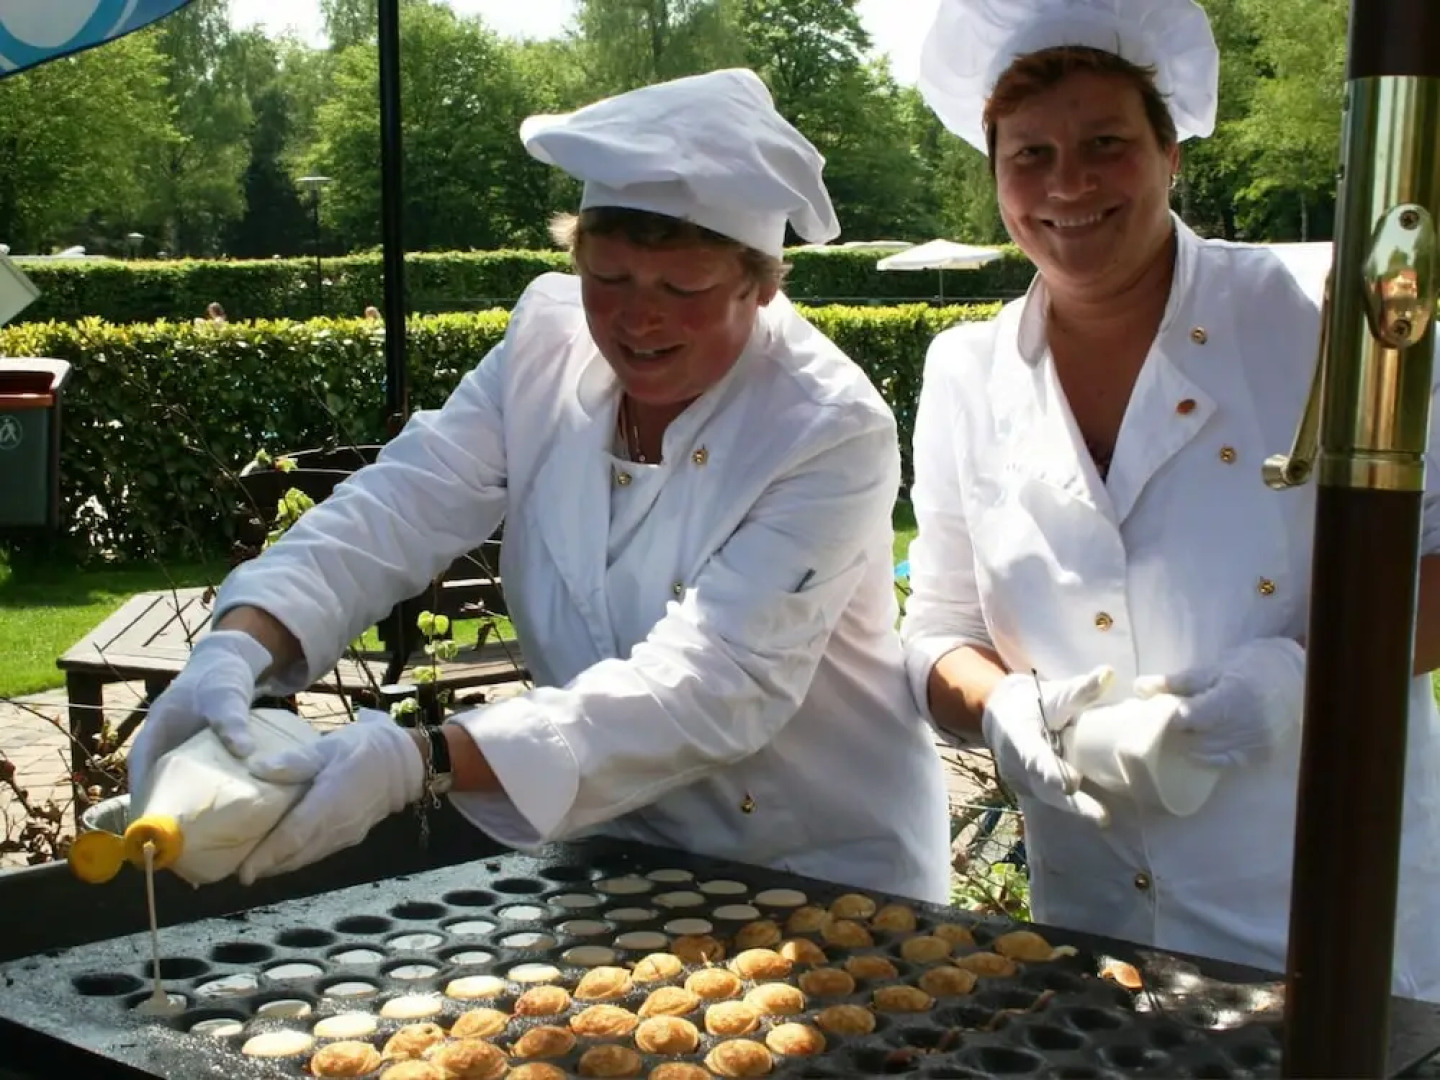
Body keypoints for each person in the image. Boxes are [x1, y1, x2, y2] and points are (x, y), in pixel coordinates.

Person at [127, 68, 953, 903]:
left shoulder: (824, 425)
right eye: (610, 277)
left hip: (824, 869)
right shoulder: (543, 351)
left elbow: (718, 681)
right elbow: (398, 506)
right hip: (612, 856)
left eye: (683, 288)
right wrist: (238, 643)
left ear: (761, 281)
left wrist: (426, 758)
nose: (639, 318)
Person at [902, 0, 1440, 997]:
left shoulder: (1313, 325)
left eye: (1105, 143)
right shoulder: (964, 372)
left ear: (1171, 151)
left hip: (1322, 910)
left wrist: (1298, 679)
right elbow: (935, 629)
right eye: (1029, 156)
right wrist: (1001, 710)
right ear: (995, 176)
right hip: (1093, 930)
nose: (1066, 184)